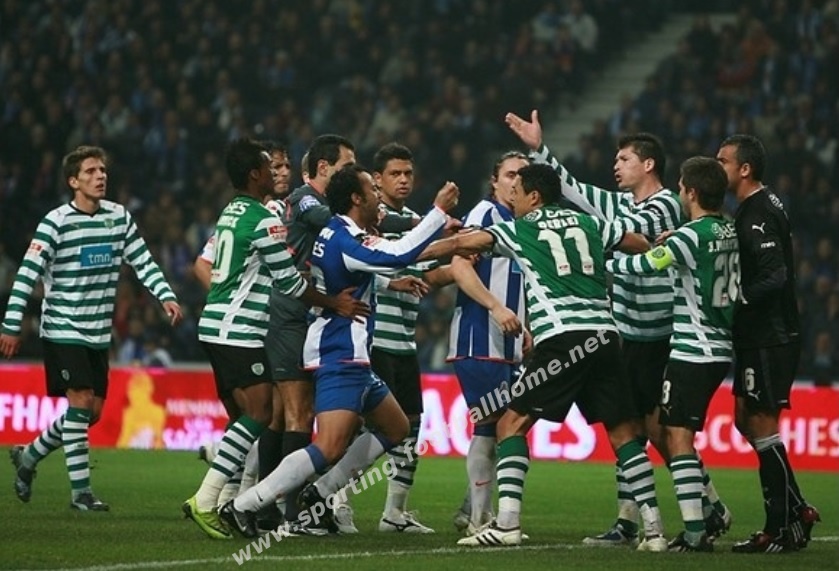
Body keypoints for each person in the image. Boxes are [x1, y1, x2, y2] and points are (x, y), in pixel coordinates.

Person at [506, 110, 731, 547]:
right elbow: (576, 191)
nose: (616, 165)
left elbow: (622, 231)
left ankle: (707, 504)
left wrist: (590, 242)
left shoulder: (665, 206)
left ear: (648, 164)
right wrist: (540, 150)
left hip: (657, 336)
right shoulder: (624, 205)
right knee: (630, 427)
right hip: (626, 334)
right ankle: (636, 520)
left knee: (656, 431)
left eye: (624, 158)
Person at [418, 163, 665, 548]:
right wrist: (658, 248)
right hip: (605, 337)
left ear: (534, 197)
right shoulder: (590, 223)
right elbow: (634, 241)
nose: (513, 199)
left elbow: (457, 246)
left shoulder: (520, 228)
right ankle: (655, 531)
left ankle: (506, 525)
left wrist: (405, 254)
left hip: (563, 339)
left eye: (517, 193)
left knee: (510, 424)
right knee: (624, 434)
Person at [222, 164, 459, 537]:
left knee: (397, 427)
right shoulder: (345, 238)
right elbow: (396, 254)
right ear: (356, 198)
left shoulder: (340, 232)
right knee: (330, 446)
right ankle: (243, 505)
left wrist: (400, 276)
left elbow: (372, 264)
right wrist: (438, 212)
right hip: (339, 351)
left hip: (352, 352)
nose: (378, 195)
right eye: (371, 190)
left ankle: (320, 492)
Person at [183, 138, 368, 540]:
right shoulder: (265, 218)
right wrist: (333, 302)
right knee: (261, 413)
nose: (276, 173)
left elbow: (214, 264)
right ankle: (213, 499)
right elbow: (290, 283)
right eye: (270, 167)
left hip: (217, 325)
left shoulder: (232, 211)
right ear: (255, 175)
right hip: (239, 328)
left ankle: (229, 495)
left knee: (254, 415)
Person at [3, 145, 183, 511]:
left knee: (91, 412)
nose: (100, 176)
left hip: (99, 332)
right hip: (63, 327)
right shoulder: (55, 222)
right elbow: (26, 274)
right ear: (73, 181)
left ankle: (29, 455)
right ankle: (81, 494)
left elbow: (143, 260)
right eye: (90, 171)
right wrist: (11, 323)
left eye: (102, 170)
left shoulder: (119, 217)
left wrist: (165, 295)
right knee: (82, 401)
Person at [607, 157, 737, 552]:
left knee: (676, 436)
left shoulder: (689, 236)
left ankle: (696, 532)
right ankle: (708, 514)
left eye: (681, 187)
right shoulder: (726, 228)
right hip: (721, 345)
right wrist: (673, 241)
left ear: (692, 192)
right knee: (672, 431)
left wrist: (608, 260)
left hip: (693, 349)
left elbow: (648, 265)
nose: (679, 192)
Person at [716, 134, 821, 553]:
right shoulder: (754, 206)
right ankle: (797, 508)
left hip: (770, 336)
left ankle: (781, 526)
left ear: (745, 169)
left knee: (760, 423)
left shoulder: (759, 211)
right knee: (746, 419)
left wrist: (738, 298)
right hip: (758, 336)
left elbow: (775, 275)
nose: (717, 167)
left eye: (723, 161)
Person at [369, 142, 452, 534]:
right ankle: (333, 505)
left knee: (412, 427)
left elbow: (428, 274)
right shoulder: (369, 219)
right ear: (377, 179)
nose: (403, 180)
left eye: (408, 174)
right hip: (372, 340)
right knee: (357, 429)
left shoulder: (418, 223)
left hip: (404, 343)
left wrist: (463, 261)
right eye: (395, 174)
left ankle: (394, 513)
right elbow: (360, 267)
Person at [447, 151, 530, 536]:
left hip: (509, 344)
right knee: (493, 424)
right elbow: (459, 266)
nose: (517, 182)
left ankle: (473, 509)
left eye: (523, 176)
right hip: (480, 338)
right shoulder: (485, 214)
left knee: (505, 426)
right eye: (510, 175)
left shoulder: (521, 223)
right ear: (494, 181)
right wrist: (496, 307)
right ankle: (479, 518)